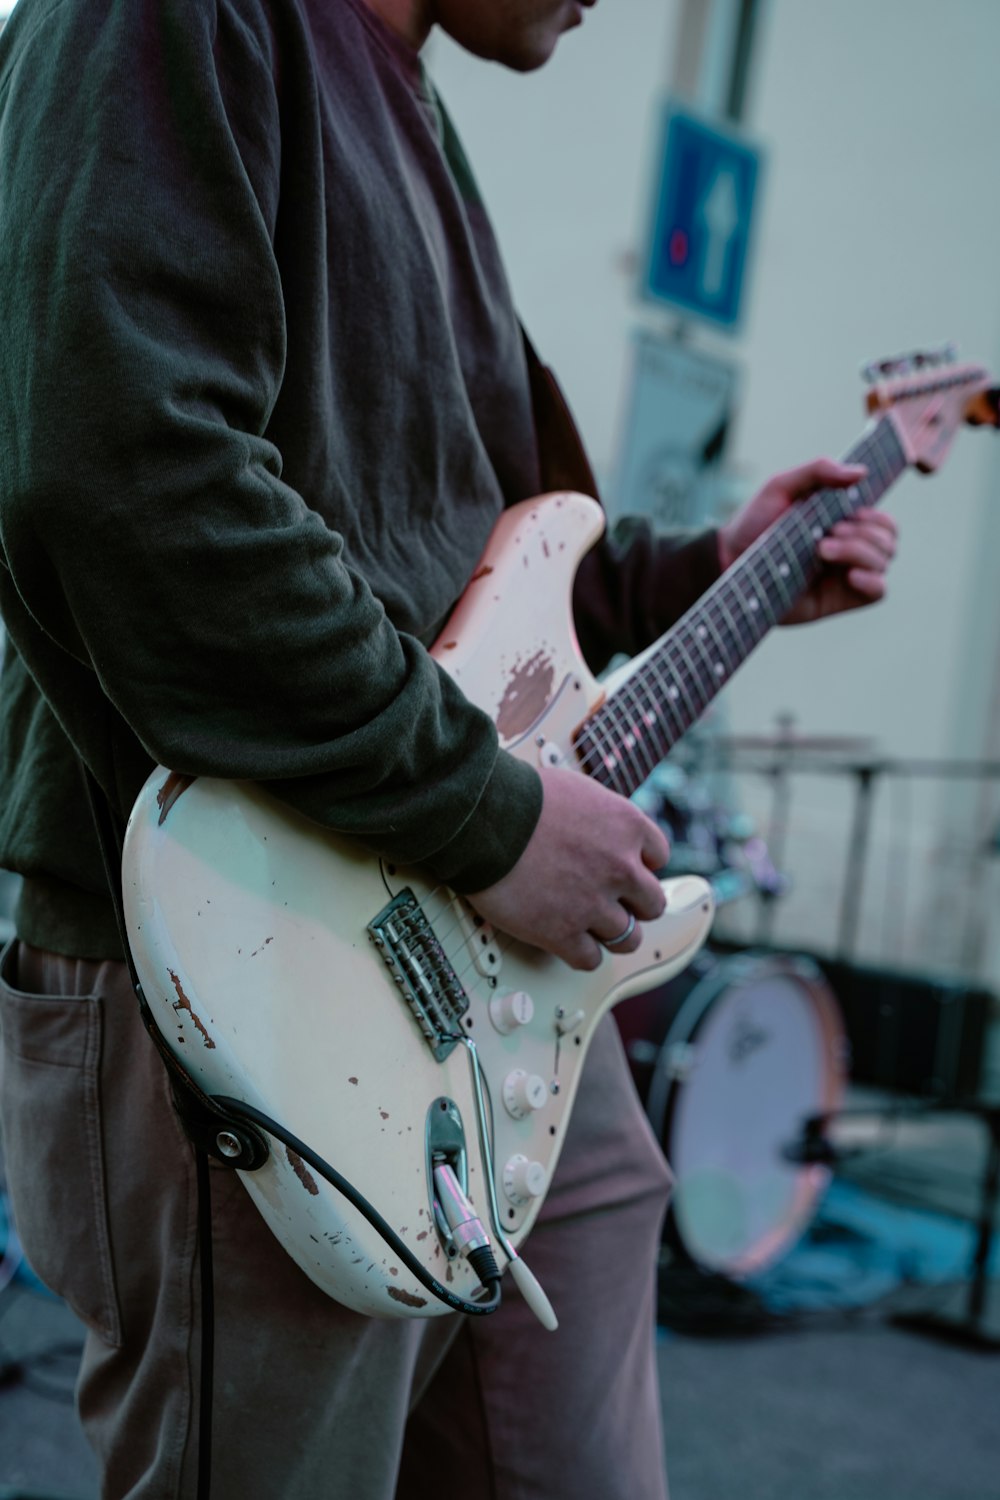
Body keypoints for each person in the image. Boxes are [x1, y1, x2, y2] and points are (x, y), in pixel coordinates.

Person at [0, 1, 897, 1496]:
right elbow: (124, 477)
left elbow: (468, 560)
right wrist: (488, 818)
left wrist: (704, 568)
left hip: (496, 973)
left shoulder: (410, 109)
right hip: (245, 959)